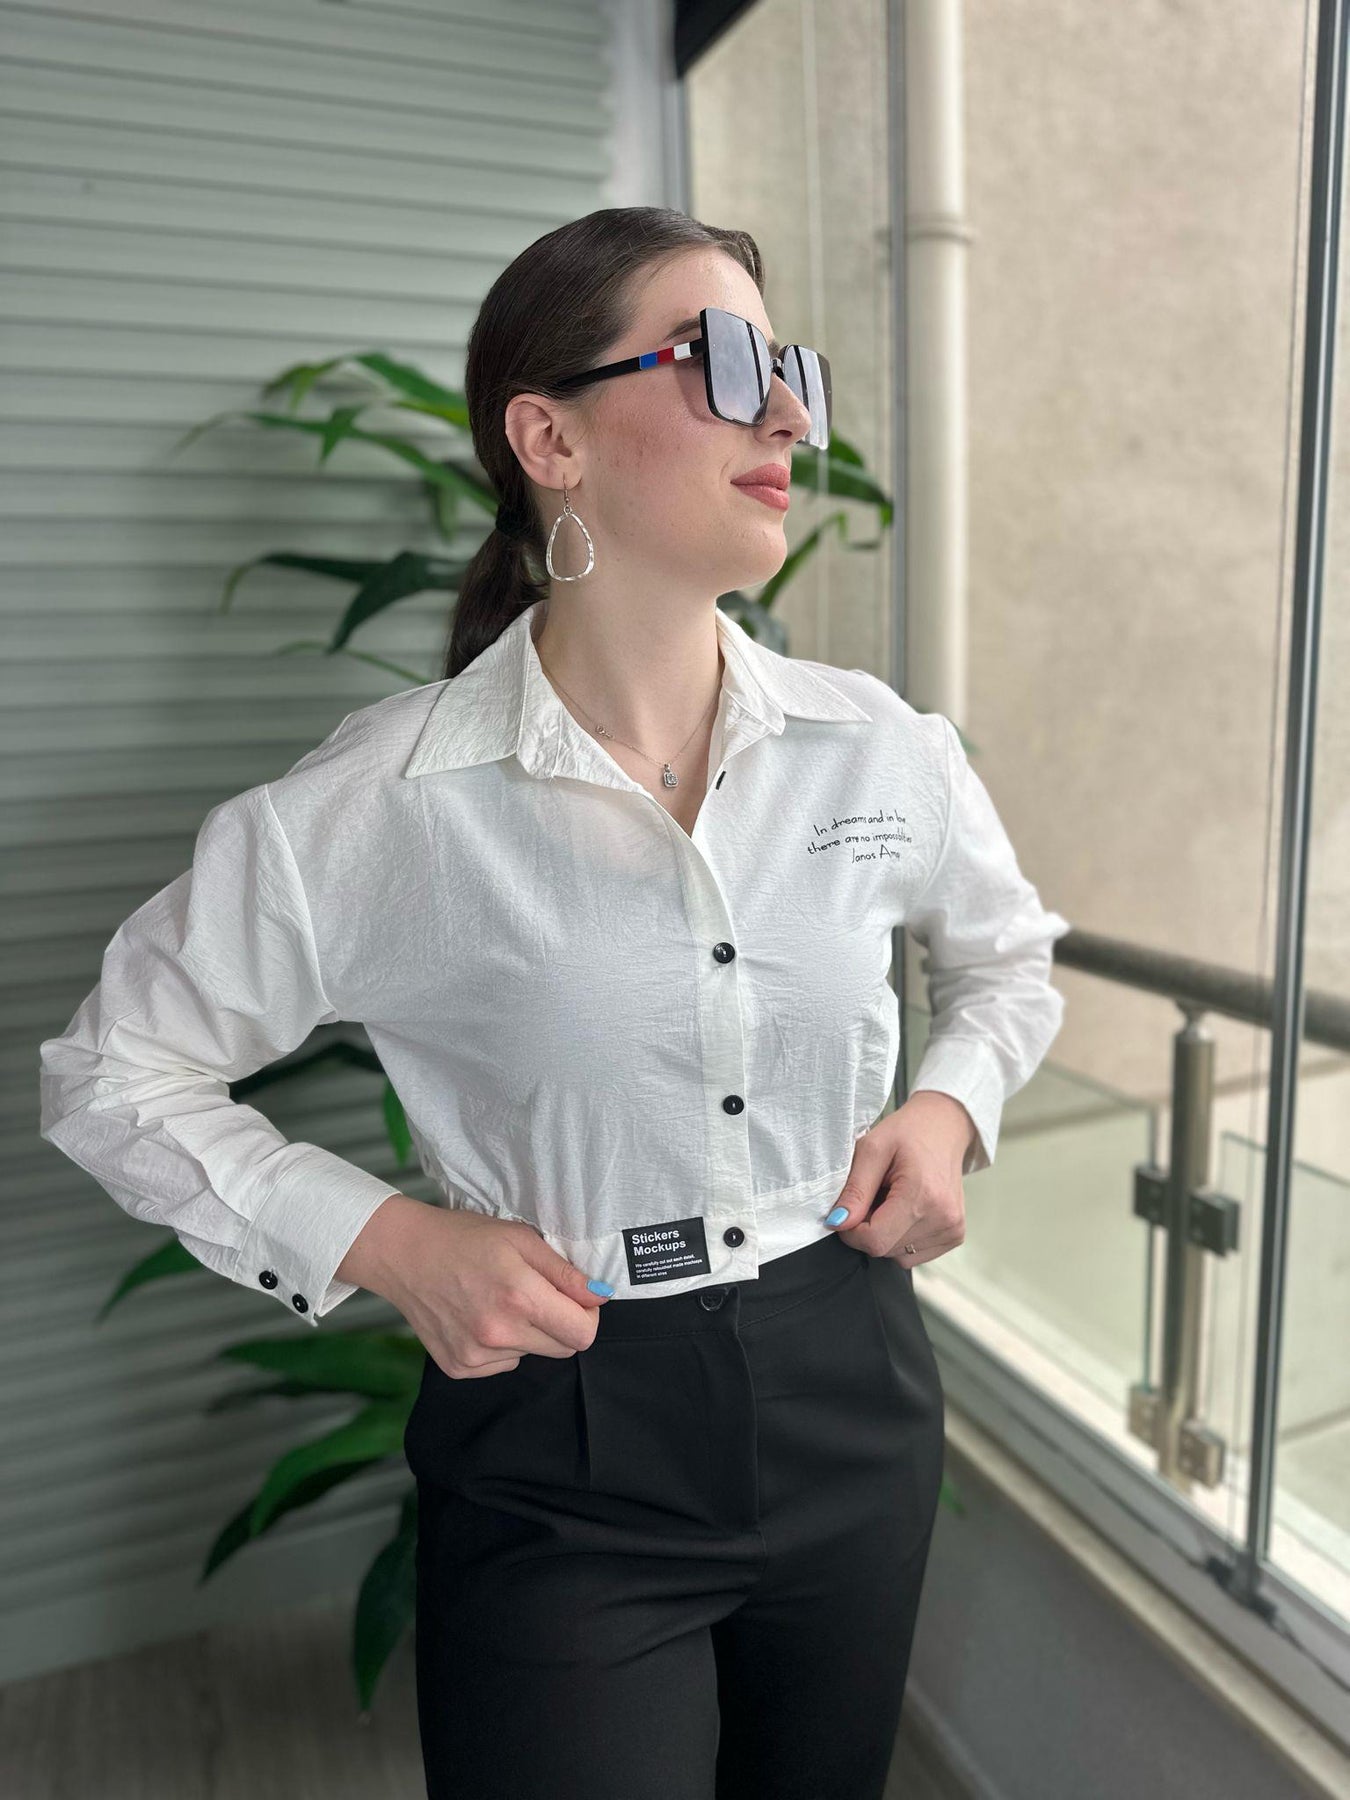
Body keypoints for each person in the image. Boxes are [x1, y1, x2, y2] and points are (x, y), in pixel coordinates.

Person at [38, 205, 1071, 1799]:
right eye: (725, 365)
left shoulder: (880, 750)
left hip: (851, 1378)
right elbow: (112, 1073)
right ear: (550, 438)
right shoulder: (378, 808)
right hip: (560, 1435)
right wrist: (389, 1241)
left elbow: (1007, 956)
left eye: (787, 371)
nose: (789, 420)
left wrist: (946, 1109)